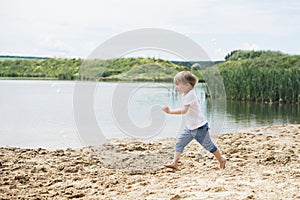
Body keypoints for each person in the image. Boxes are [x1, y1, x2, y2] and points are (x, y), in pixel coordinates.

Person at [162, 71, 226, 170]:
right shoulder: (186, 94)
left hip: (199, 127)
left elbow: (184, 110)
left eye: (178, 84)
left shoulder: (190, 95)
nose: (176, 87)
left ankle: (221, 159)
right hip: (191, 127)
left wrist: (170, 111)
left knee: (208, 146)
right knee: (180, 142)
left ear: (187, 85)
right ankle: (175, 163)